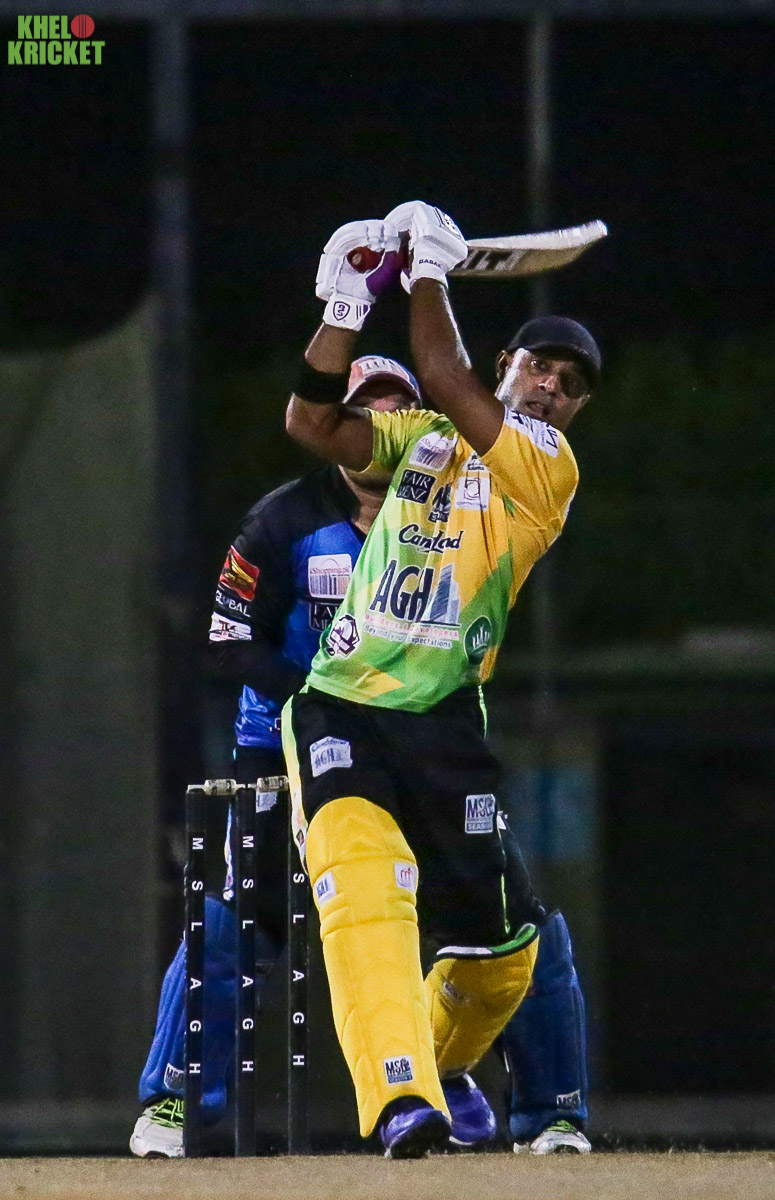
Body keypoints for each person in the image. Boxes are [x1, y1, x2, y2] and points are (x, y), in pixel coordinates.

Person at [130, 350, 590, 1156]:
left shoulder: (455, 499)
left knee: (513, 925)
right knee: (239, 921)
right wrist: (327, 692)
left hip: (422, 742)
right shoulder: (285, 519)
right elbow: (229, 639)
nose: (378, 422)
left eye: (393, 407)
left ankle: (537, 1107)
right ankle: (174, 1101)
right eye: (363, 407)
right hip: (287, 745)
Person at [282, 201, 598, 1158]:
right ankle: (400, 1099)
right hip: (342, 704)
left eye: (570, 386)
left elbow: (446, 372)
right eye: (539, 368)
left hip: (445, 720)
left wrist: (426, 269)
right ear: (509, 362)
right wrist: (344, 309)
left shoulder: (546, 468)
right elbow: (311, 421)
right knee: (366, 892)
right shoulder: (418, 435)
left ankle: (441, 1060)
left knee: (503, 956)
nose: (551, 389)